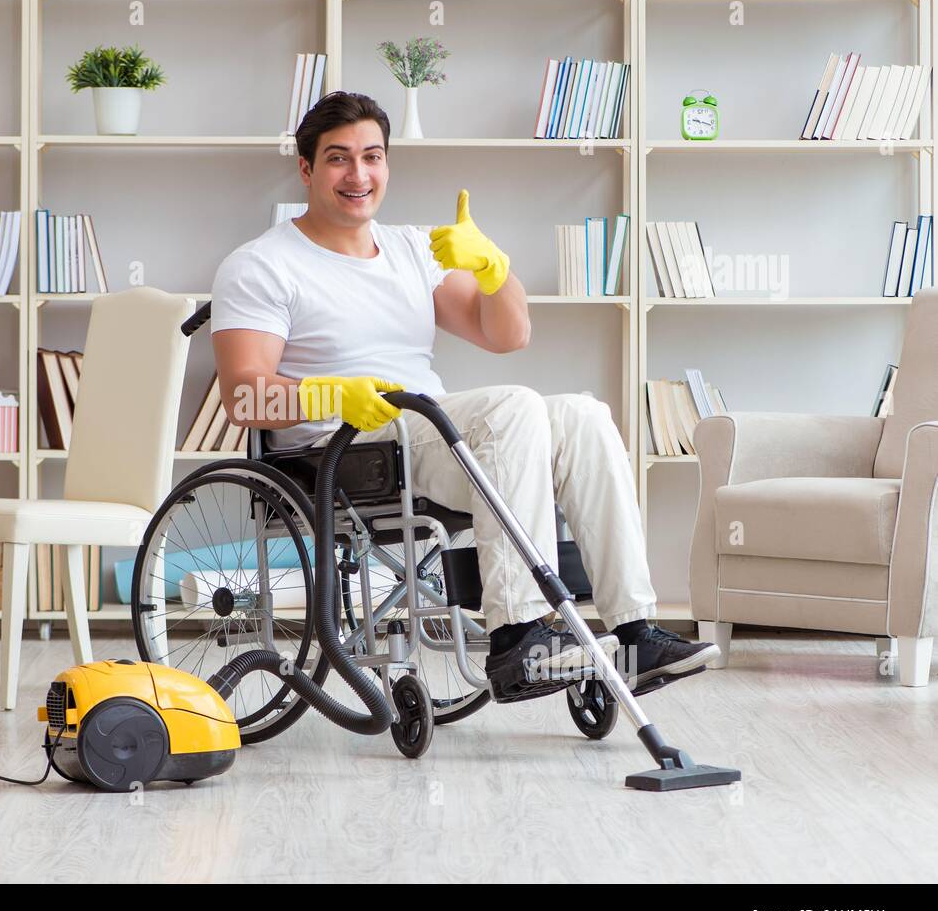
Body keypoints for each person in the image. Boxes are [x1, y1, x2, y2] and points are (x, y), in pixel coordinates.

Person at [210, 91, 717, 699]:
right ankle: (516, 636)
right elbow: (244, 398)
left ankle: (634, 629)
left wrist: (494, 269)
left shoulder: (409, 251)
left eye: (372, 156)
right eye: (339, 159)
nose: (358, 174)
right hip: (342, 451)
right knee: (513, 408)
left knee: (583, 413)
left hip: (426, 434)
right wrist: (331, 395)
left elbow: (509, 334)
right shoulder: (261, 265)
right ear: (306, 169)